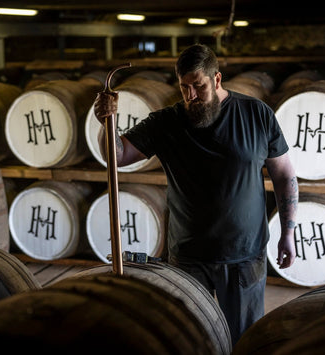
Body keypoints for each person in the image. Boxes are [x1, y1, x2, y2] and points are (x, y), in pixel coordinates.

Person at [93, 43, 298, 346]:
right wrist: (104, 124)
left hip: (244, 258)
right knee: (187, 340)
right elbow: (118, 156)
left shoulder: (255, 114)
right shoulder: (166, 122)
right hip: (188, 259)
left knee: (245, 341)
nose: (190, 96)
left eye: (198, 87)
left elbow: (284, 176)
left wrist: (288, 232)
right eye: (184, 87)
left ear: (216, 80)